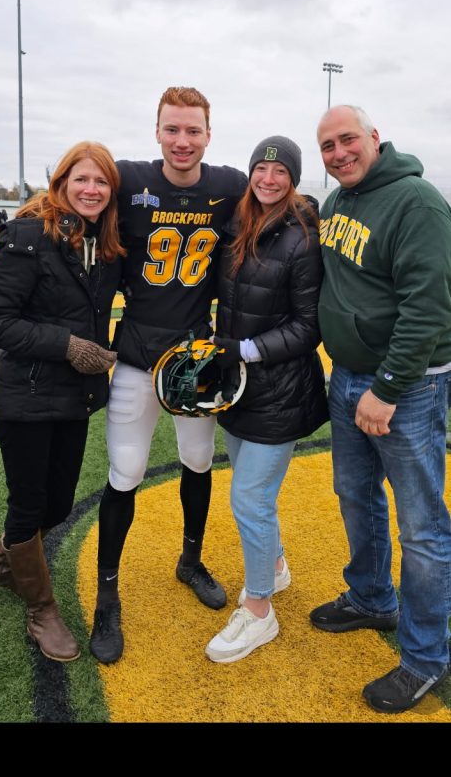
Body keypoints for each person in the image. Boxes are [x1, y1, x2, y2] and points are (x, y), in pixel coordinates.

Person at [89, 86, 247, 664]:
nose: (183, 141)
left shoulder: (230, 185)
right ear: (157, 131)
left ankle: (190, 557)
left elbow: (282, 204)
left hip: (193, 357)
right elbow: (76, 191)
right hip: (136, 352)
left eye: (194, 131)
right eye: (173, 129)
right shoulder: (129, 179)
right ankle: (109, 594)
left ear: (209, 133)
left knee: (199, 463)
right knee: (126, 471)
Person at [310, 104, 451, 714]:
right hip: (347, 377)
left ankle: (426, 657)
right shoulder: (337, 202)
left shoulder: (416, 201)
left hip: (406, 386)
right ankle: (371, 597)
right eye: (327, 146)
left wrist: (387, 389)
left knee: (421, 526)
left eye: (348, 141)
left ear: (374, 138)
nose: (339, 153)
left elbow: (428, 308)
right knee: (355, 494)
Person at [0, 142, 124, 662]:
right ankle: (40, 608)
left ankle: (1, 565)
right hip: (25, 396)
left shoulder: (100, 242)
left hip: (73, 398)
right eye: (82, 180)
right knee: (29, 504)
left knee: (59, 503)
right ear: (62, 181)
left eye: (102, 183)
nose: (91, 190)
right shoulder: (26, 235)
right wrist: (67, 346)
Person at [204, 136, 328, 663]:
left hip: (277, 391)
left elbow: (308, 328)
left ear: (293, 178)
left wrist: (244, 350)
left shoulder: (303, 237)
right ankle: (275, 567)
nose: (269, 178)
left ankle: (259, 611)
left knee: (249, 500)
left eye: (280, 171)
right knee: (251, 492)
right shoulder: (237, 222)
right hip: (237, 388)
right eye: (262, 167)